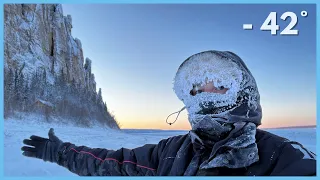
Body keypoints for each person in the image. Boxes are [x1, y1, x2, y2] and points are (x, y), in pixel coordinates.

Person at [21, 50, 316, 176]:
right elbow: (113, 162)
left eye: (220, 84)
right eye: (195, 88)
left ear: (243, 91)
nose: (204, 94)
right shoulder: (171, 152)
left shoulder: (285, 157)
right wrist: (59, 152)